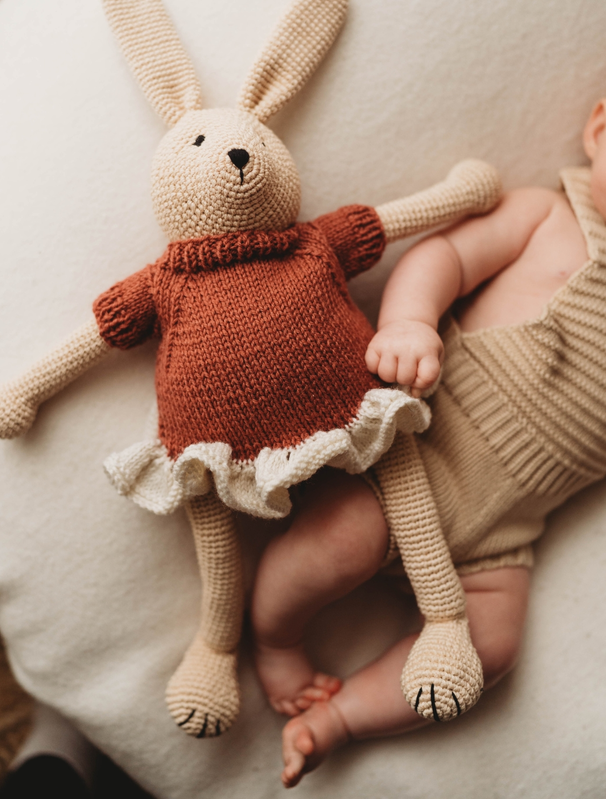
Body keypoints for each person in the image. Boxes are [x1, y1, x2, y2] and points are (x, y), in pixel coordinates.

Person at [251, 98, 606, 787]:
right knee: (342, 539)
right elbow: (444, 255)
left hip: (501, 539)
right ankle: (277, 637)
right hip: (414, 455)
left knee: (492, 649)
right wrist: (410, 322)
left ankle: (343, 716)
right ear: (601, 130)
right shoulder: (549, 217)